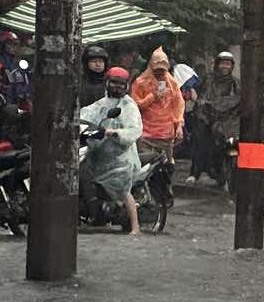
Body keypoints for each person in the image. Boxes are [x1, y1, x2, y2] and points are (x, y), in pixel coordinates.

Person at [78, 66, 143, 234]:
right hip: (99, 154)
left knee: (123, 189)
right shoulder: (102, 104)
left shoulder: (129, 105)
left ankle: (135, 227)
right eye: (114, 82)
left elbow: (134, 130)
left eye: (121, 84)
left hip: (121, 157)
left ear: (126, 86)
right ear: (107, 83)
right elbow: (86, 115)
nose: (117, 86)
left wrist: (113, 133)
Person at [131, 46, 184, 169]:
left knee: (167, 167)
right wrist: (153, 96)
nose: (160, 73)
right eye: (157, 70)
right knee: (147, 167)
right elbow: (136, 106)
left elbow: (178, 104)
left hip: (166, 134)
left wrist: (179, 124)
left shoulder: (172, 83)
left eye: (163, 70)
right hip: (146, 134)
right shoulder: (140, 83)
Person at [196, 50, 240, 186]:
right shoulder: (209, 81)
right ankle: (201, 171)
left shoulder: (236, 83)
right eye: (223, 63)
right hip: (212, 121)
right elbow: (202, 100)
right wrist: (206, 110)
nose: (225, 67)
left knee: (233, 150)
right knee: (203, 142)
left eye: (228, 64)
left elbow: (238, 101)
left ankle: (232, 178)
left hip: (231, 125)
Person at [80, 44, 112, 108]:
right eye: (94, 61)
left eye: (101, 61)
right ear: (86, 64)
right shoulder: (79, 82)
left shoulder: (109, 83)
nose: (98, 64)